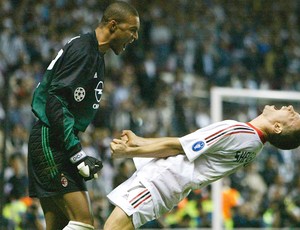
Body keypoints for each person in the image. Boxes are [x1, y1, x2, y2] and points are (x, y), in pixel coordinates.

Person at [27, 1, 140, 230]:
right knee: (83, 222)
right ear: (113, 25)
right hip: (51, 140)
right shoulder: (84, 51)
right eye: (132, 30)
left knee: (60, 224)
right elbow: (56, 100)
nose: (135, 37)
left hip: (54, 138)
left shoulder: (95, 53)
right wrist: (76, 153)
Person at [104, 105, 300, 229]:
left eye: (293, 116)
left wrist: (130, 151)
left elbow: (179, 147)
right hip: (167, 187)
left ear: (277, 128)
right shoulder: (254, 146)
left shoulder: (240, 131)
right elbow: (183, 144)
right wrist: (139, 142)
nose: (290, 107)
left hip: (159, 183)